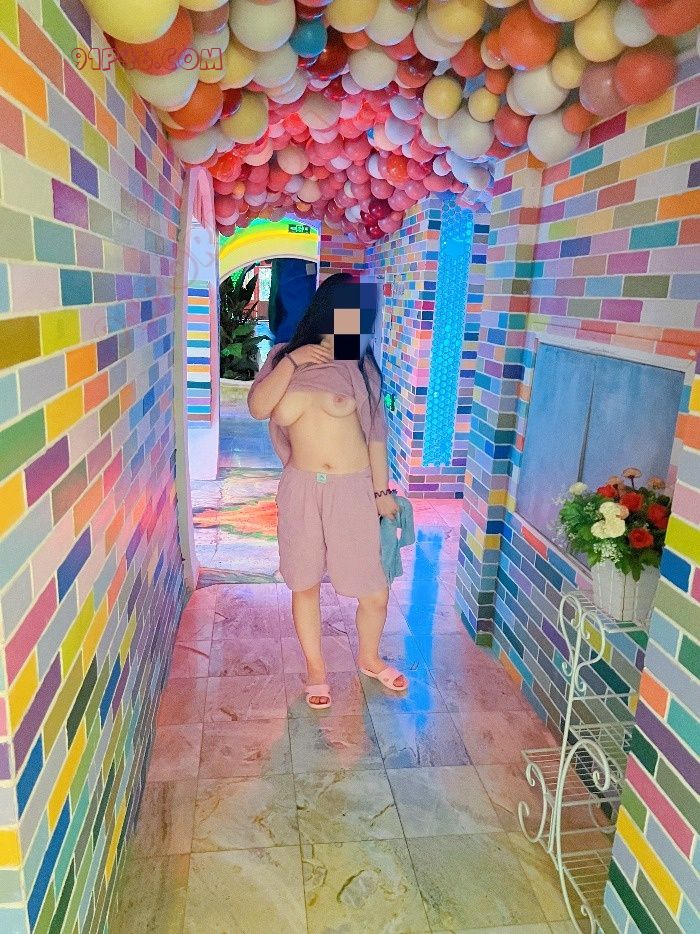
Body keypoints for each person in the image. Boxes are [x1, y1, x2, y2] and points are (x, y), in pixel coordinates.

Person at [247, 273, 408, 709]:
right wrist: (293, 362)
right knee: (304, 583)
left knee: (374, 589)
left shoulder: (361, 366)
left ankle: (369, 658)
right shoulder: (284, 356)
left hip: (352, 490)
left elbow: (376, 435)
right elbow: (259, 407)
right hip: (302, 488)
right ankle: (316, 670)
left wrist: (382, 493)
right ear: (330, 311)